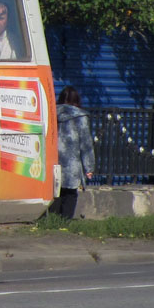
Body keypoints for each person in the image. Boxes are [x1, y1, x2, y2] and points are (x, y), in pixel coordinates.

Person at [54, 85, 95, 219]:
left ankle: (53, 219)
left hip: (54, 160)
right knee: (70, 193)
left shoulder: (52, 113)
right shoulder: (80, 117)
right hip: (72, 163)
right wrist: (89, 167)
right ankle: (65, 221)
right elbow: (86, 144)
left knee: (56, 191)